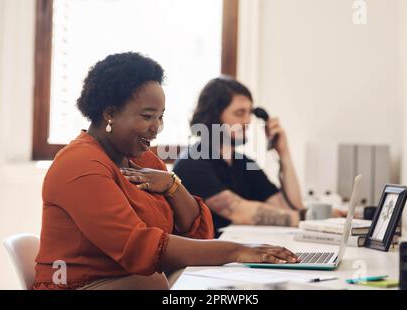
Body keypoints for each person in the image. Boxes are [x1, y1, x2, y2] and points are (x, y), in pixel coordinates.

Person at [33, 53, 298, 290]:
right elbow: (139, 247)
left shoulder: (143, 157)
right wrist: (237, 251)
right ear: (110, 114)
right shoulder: (79, 165)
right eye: (148, 116)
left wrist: (173, 186)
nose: (157, 127)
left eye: (161, 116)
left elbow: (196, 234)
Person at [173, 77, 308, 237]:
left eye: (249, 113)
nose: (247, 121)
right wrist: (308, 217)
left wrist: (283, 152)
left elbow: (289, 207)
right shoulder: (192, 163)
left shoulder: (244, 162)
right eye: (239, 113)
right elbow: (240, 212)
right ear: (214, 117)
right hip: (205, 258)